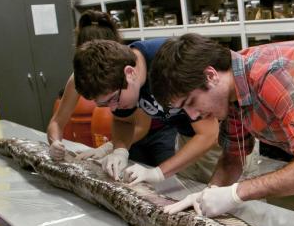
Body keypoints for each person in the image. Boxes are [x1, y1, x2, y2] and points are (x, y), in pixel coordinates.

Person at [150, 33, 294, 226]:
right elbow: (233, 156)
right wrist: (208, 195)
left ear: (210, 76)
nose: (193, 116)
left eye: (191, 102)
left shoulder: (272, 74)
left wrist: (236, 193)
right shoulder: (229, 94)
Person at [71, 38, 219, 184]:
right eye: (105, 104)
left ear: (129, 73)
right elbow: (123, 121)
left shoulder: (168, 64)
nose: (113, 108)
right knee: (187, 191)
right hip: (185, 136)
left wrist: (158, 172)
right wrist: (120, 150)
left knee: (218, 196)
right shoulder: (117, 77)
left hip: (221, 135)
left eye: (113, 99)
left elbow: (209, 134)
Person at [45, 10, 121, 160]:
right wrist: (55, 142)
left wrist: (111, 148)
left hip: (147, 137)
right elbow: (57, 122)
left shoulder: (129, 72)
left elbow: (139, 126)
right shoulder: (78, 79)